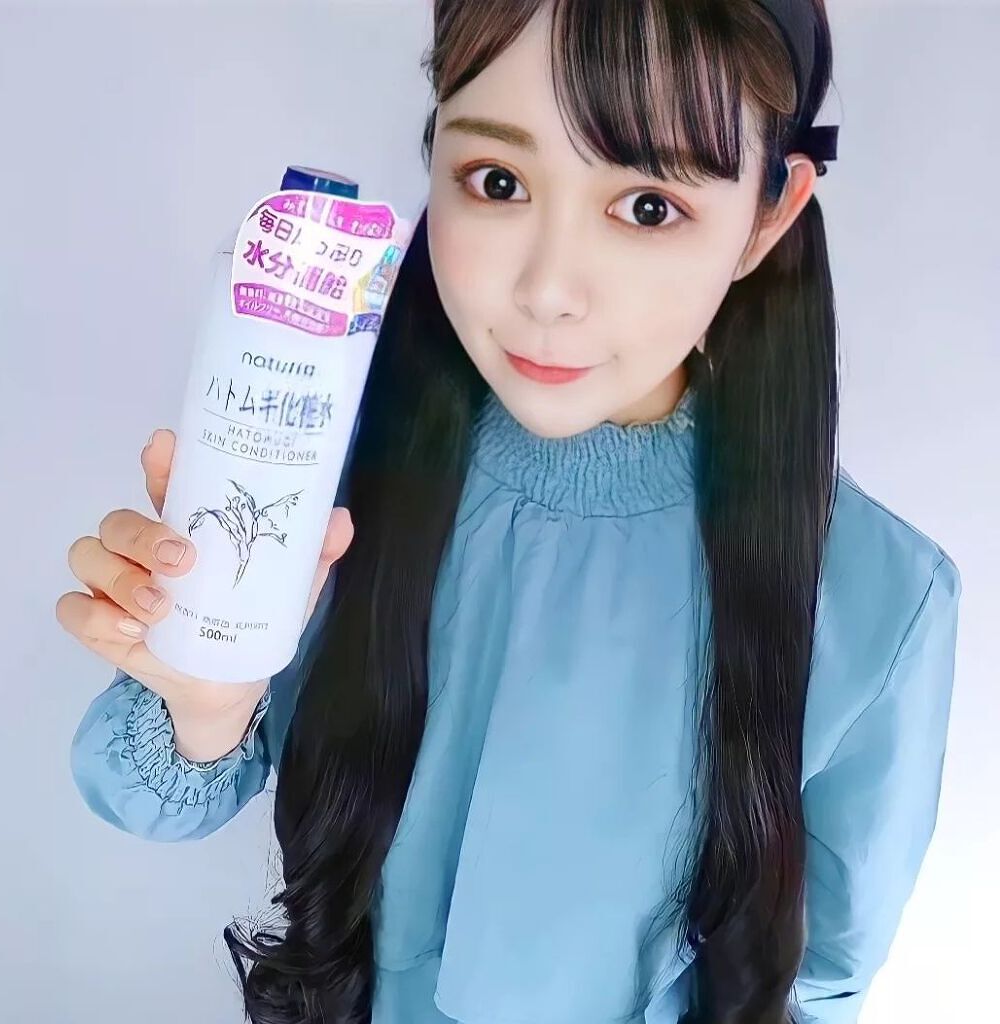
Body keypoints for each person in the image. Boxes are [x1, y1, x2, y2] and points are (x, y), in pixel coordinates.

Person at [59, 2, 963, 1022]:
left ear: (767, 215)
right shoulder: (324, 473)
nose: (547, 290)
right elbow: (153, 803)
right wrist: (205, 699)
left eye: (648, 207)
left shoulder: (881, 599)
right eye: (497, 182)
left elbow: (821, 979)